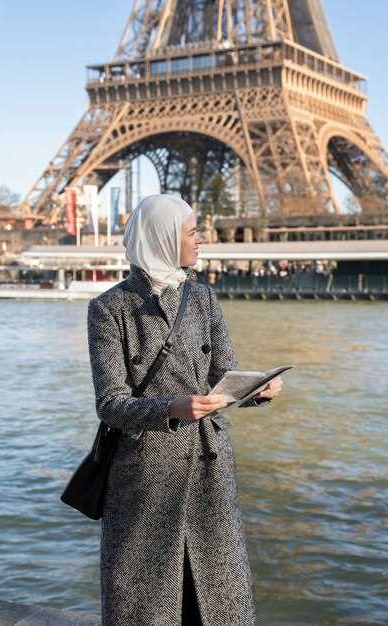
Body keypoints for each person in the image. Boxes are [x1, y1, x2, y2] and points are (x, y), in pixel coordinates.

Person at [87, 194, 283, 626]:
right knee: (148, 602)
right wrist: (171, 409)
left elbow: (223, 375)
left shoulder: (203, 299)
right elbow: (110, 404)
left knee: (214, 601)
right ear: (162, 237)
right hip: (146, 476)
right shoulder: (109, 309)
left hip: (208, 470)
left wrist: (256, 390)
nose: (200, 240)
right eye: (192, 232)